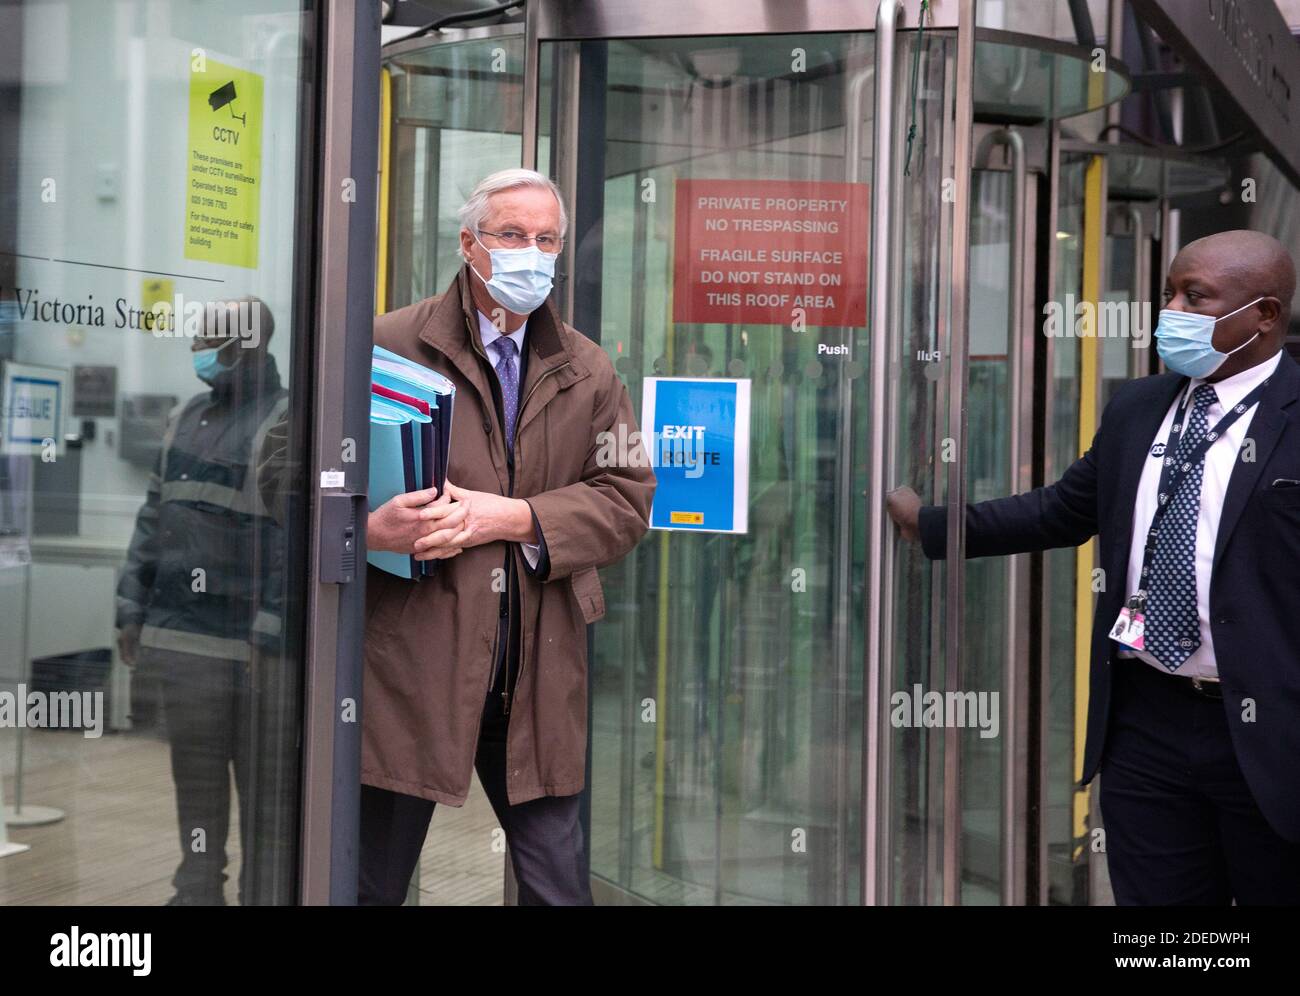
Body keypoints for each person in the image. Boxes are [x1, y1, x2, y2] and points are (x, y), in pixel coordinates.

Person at [888, 230, 1300, 906]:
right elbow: (1063, 510)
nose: (1171, 309)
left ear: (1263, 315)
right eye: (1169, 291)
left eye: (1194, 297)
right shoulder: (1140, 407)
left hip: (1270, 731)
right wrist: (932, 525)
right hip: (1146, 719)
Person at [359, 168, 656, 905]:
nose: (532, 253)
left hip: (535, 678)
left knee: (558, 890)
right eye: (513, 236)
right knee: (367, 885)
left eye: (546, 239)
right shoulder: (389, 342)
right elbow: (288, 467)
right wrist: (368, 527)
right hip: (413, 674)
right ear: (469, 243)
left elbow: (627, 499)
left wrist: (513, 516)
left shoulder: (587, 368)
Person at [116, 296, 288, 905]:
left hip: (247, 654)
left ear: (244, 345)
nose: (197, 352)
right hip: (181, 646)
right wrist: (130, 609)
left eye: (208, 341)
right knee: (195, 785)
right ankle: (196, 894)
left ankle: (261, 897)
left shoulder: (285, 420)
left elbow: (288, 543)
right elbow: (152, 517)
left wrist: (268, 638)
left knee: (263, 796)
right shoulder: (189, 416)